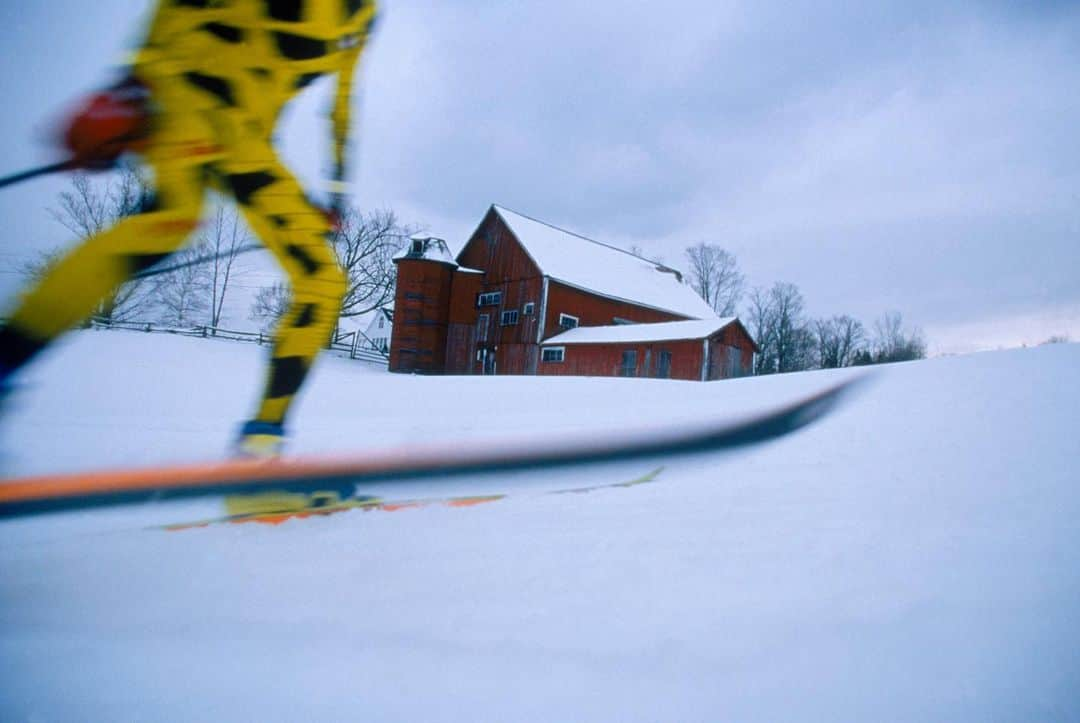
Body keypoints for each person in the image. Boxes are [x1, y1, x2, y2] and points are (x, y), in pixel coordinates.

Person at [0, 0, 379, 457]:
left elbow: (341, 105)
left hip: (248, 142)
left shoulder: (362, 16)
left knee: (323, 280)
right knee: (168, 224)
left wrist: (335, 192)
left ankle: (261, 447)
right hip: (186, 102)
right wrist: (130, 85)